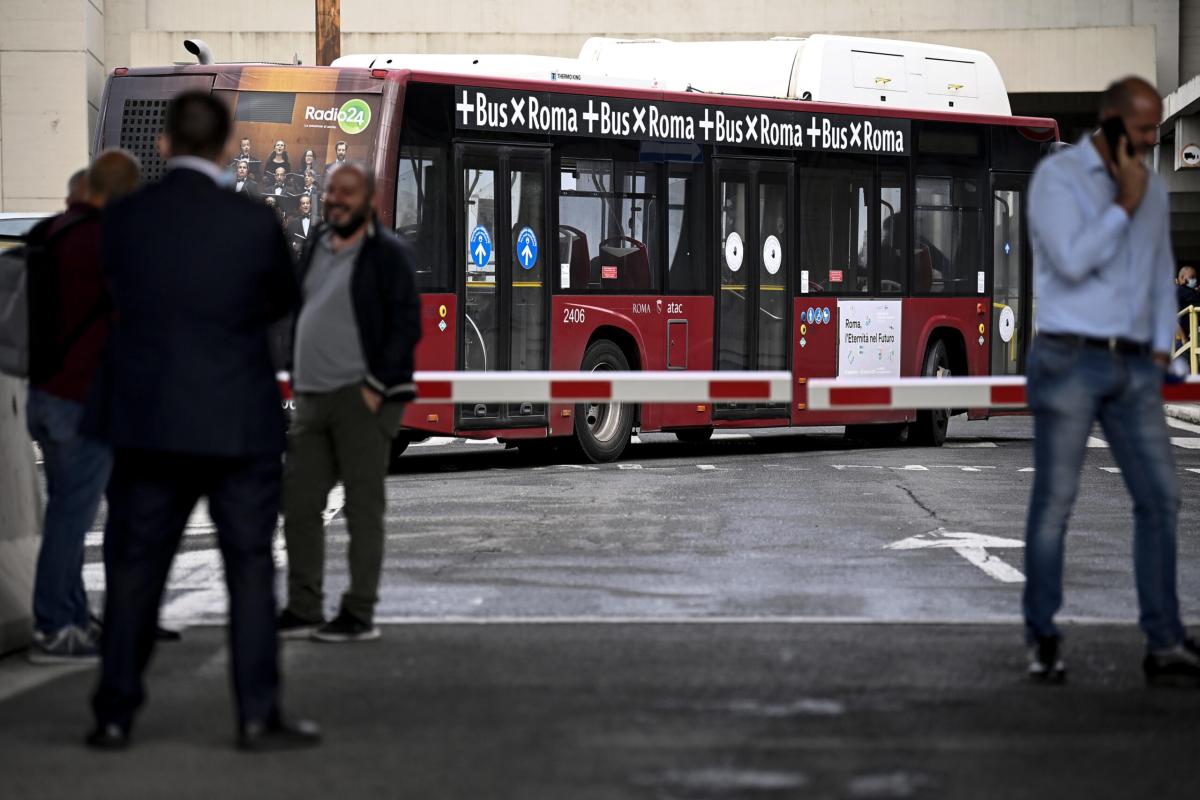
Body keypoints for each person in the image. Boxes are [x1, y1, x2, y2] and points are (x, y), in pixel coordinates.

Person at [84, 91, 318, 750]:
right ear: (225, 149)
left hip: (148, 417)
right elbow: (282, 300)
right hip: (236, 420)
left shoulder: (126, 220)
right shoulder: (254, 222)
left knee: (135, 569)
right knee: (248, 569)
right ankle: (255, 714)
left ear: (162, 146)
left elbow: (107, 291)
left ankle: (114, 713)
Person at [1023, 77, 1199, 687]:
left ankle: (1164, 641)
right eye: (1145, 130)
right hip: (1068, 358)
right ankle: (1044, 638)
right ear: (1114, 121)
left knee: (1160, 498)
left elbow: (1157, 273)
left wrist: (1159, 347)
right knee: (1055, 505)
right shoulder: (1060, 180)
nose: (1154, 142)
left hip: (1130, 368)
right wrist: (1121, 205)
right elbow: (1070, 260)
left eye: (1156, 130)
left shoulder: (1149, 189)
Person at [279, 162, 421, 643]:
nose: (334, 199)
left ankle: (358, 612)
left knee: (363, 508)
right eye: (329, 191)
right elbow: (302, 306)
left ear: (367, 200)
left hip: (364, 400)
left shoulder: (388, 254)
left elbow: (406, 326)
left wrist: (376, 386)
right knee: (298, 503)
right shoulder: (317, 243)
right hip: (311, 398)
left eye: (346, 193)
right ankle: (303, 607)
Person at [24, 152, 140, 665]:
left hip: (42, 393)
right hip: (84, 398)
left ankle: (71, 617)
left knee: (64, 511)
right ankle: (53, 627)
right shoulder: (105, 243)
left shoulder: (47, 234)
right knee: (71, 520)